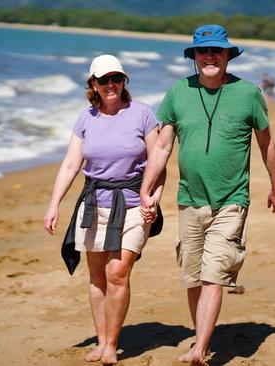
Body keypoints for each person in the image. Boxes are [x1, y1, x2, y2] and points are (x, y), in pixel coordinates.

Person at [139, 24, 275, 366]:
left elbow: (267, 144)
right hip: (189, 198)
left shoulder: (249, 93)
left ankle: (201, 349)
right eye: (203, 52)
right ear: (194, 57)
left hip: (231, 200)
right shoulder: (178, 92)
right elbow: (162, 146)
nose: (209, 57)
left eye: (216, 51)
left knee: (213, 274)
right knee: (192, 276)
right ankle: (200, 336)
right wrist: (147, 190)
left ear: (227, 56)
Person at [43, 54, 164, 365]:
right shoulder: (86, 118)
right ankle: (100, 341)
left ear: (124, 81)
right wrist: (54, 204)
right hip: (95, 203)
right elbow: (71, 164)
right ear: (92, 84)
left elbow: (159, 161)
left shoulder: (143, 114)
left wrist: (154, 197)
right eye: (104, 80)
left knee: (118, 272)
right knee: (97, 276)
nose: (111, 85)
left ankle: (111, 345)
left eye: (117, 78)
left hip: (135, 202)